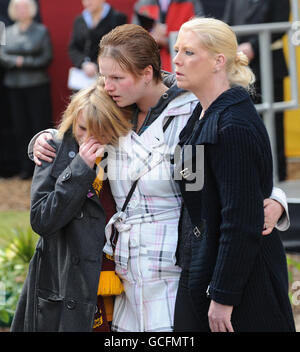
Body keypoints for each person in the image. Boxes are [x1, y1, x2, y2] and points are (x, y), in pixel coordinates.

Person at [29, 24, 290, 332]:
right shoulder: (110, 107)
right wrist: (44, 140)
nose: (107, 85)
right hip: (124, 276)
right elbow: (74, 130)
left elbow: (231, 178)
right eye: (103, 76)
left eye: (116, 77)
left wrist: (276, 199)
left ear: (146, 73)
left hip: (175, 273)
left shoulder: (195, 111)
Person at [172, 17, 295, 332]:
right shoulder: (201, 114)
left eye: (188, 52)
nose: (176, 60)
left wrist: (224, 296)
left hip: (243, 285)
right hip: (202, 269)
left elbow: (239, 219)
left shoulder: (233, 125)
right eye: (175, 50)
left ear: (218, 61)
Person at [10, 79, 132, 332]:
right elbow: (42, 220)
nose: (88, 139)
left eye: (98, 132)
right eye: (82, 128)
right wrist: (79, 170)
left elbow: (148, 78)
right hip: (67, 282)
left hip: (118, 278)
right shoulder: (54, 148)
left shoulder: (125, 151)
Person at [223, 0, 290, 181]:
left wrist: (253, 46)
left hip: (268, 67)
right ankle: (249, 176)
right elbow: (227, 23)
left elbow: (281, 24)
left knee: (271, 126)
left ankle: (276, 176)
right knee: (241, 124)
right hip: (238, 69)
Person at [0, 0, 53, 180]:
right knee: (20, 127)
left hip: (37, 85)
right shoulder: (6, 31)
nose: (21, 11)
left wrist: (22, 62)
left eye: (24, 7)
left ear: (31, 10)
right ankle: (25, 168)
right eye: (17, 8)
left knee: (38, 126)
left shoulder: (41, 31)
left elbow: (46, 57)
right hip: (14, 87)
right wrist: (22, 60)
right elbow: (2, 56)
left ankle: (44, 167)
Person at [132, 0, 204, 72]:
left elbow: (200, 38)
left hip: (182, 69)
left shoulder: (191, 2)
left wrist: (166, 41)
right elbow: (133, 40)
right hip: (150, 69)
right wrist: (152, 38)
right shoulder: (143, 4)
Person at [69, 0, 127, 81]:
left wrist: (97, 65)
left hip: (108, 76)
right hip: (83, 78)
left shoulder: (118, 18)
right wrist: (84, 63)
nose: (87, 2)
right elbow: (73, 48)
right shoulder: (79, 20)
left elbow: (120, 48)